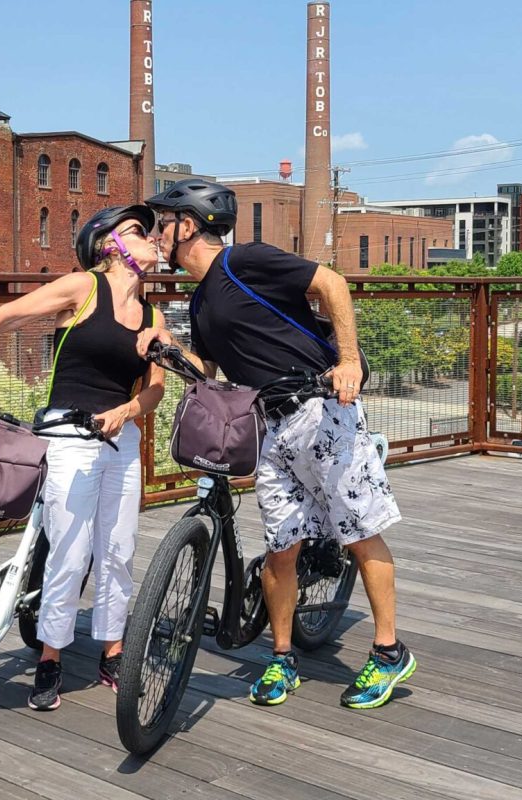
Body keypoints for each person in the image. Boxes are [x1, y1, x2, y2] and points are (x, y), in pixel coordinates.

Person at [136, 178, 416, 710]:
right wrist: (166, 353)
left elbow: (332, 283)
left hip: (321, 407)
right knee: (281, 549)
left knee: (359, 530)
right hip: (268, 427)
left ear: (187, 225)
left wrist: (350, 361)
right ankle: (282, 659)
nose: (155, 234)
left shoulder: (244, 262)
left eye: (161, 222)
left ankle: (388, 652)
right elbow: (210, 373)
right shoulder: (199, 305)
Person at [0, 205, 165, 711]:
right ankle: (50, 657)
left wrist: (128, 410)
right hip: (68, 432)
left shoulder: (153, 318)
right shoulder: (83, 288)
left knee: (118, 550)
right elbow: (10, 314)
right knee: (70, 548)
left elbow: (155, 388)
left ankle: (113, 649)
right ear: (110, 244)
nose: (150, 238)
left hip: (120, 439)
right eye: (138, 231)